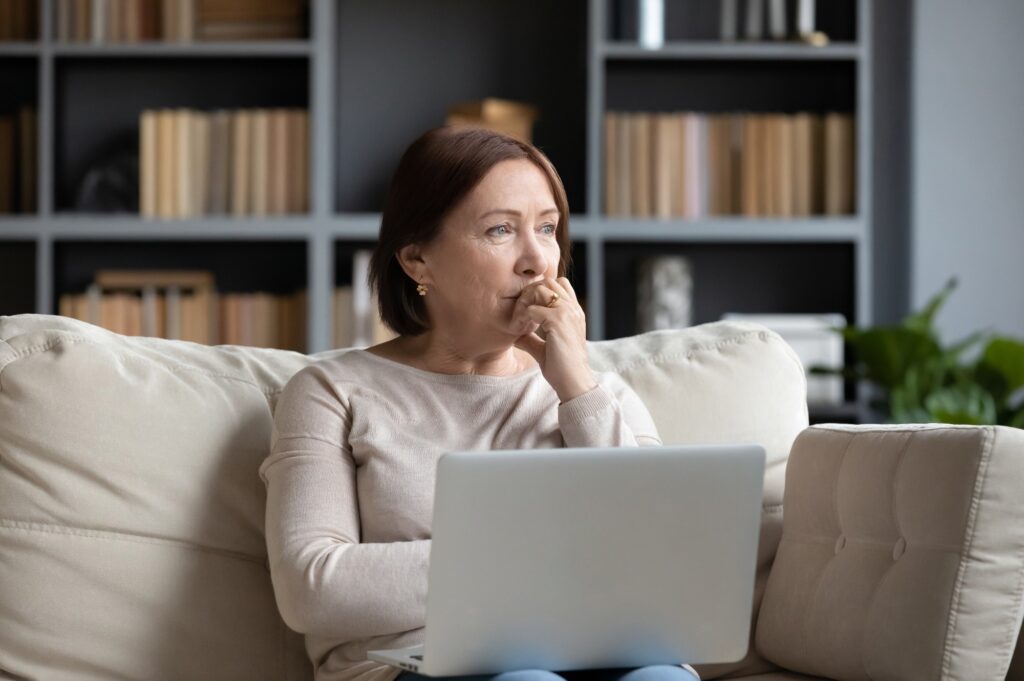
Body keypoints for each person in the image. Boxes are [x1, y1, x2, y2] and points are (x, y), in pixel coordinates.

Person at [258, 126, 698, 681]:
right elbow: (312, 588)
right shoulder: (330, 392)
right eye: (500, 230)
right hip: (421, 666)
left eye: (547, 228)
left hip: (594, 654)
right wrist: (546, 561)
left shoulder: (594, 393)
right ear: (418, 260)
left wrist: (577, 391)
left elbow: (657, 569)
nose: (538, 260)